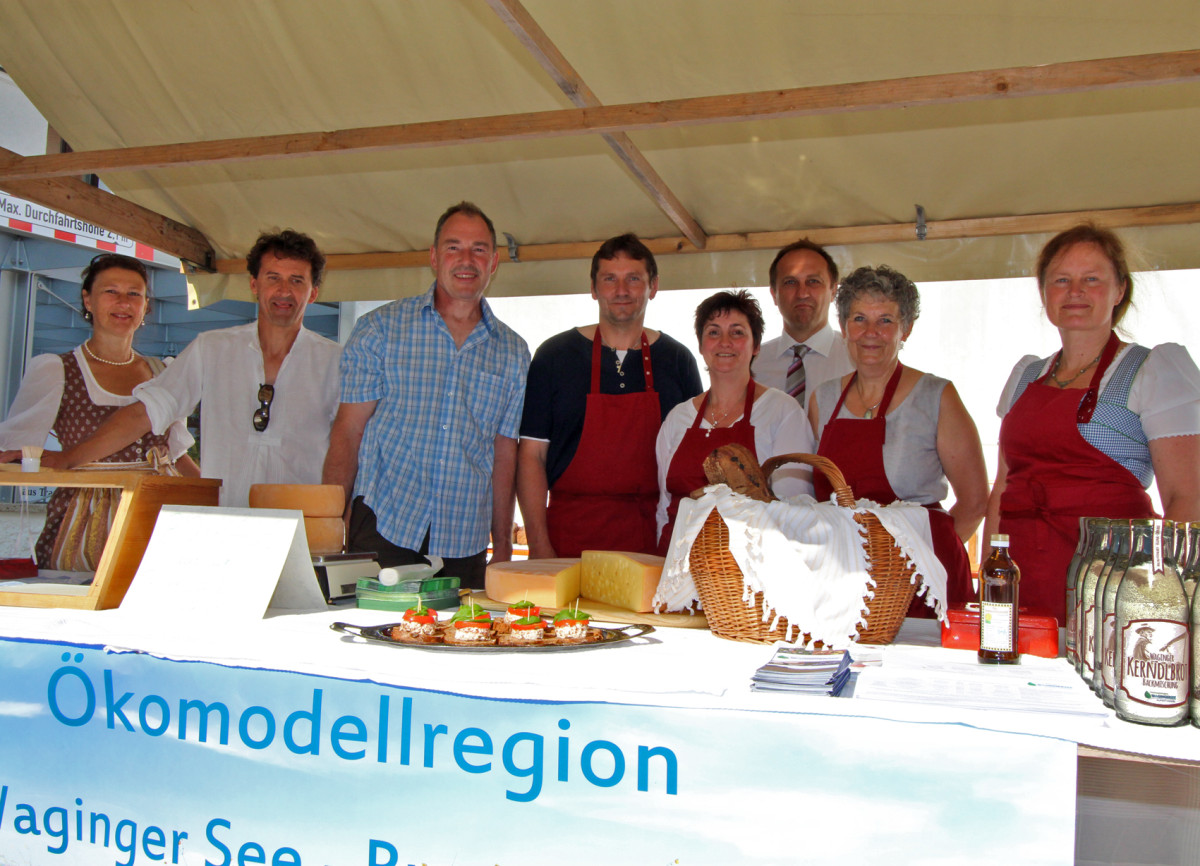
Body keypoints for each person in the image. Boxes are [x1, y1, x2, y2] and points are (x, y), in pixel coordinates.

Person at [985, 223, 1200, 622]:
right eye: (1061, 280)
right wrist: (987, 579)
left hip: (1111, 584)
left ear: (1120, 290)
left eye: (1092, 279)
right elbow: (1002, 486)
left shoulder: (1152, 370)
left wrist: (1162, 600)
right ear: (1045, 293)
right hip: (1021, 572)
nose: (1075, 291)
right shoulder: (1026, 375)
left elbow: (1187, 499)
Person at [44, 231, 342, 508]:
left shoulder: (337, 361)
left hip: (305, 527)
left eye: (297, 281)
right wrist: (67, 459)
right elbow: (146, 411)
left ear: (313, 293)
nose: (284, 291)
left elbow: (350, 445)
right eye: (273, 277)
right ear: (254, 284)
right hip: (224, 526)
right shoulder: (211, 348)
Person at [323, 202, 529, 589]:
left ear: (495, 262)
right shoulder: (380, 329)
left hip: (464, 539)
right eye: (453, 247)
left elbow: (505, 452)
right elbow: (348, 432)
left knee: (459, 643)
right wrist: (334, 525)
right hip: (384, 525)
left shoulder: (513, 351)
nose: (466, 259)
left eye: (479, 249)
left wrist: (502, 544)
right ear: (434, 257)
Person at [0, 253, 198, 570]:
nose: (123, 302)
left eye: (134, 294)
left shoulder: (163, 371)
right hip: (85, 514)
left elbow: (175, 455)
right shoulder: (57, 370)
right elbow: (15, 451)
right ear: (88, 300)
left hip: (159, 509)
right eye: (111, 291)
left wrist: (221, 500)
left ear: (146, 306)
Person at [809, 265, 987, 614]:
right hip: (843, 578)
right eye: (859, 318)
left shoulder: (937, 396)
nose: (870, 333)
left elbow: (976, 501)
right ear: (844, 328)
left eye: (886, 320)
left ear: (906, 329)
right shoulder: (823, 398)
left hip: (922, 579)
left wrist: (923, 553)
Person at [517, 234, 702, 559]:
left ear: (653, 286)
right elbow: (532, 457)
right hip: (566, 540)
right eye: (609, 279)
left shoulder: (677, 360)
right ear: (593, 288)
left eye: (633, 279)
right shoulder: (554, 356)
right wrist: (539, 545)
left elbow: (692, 462)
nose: (621, 291)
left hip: (651, 543)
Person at [656, 290, 814, 551]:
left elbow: (795, 509)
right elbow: (663, 507)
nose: (725, 342)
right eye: (714, 332)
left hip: (750, 571)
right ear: (701, 345)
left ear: (756, 346)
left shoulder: (782, 411)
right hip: (675, 566)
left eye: (737, 332)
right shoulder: (678, 418)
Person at [754, 239, 855, 412]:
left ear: (833, 291)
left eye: (813, 281)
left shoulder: (856, 360)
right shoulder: (753, 364)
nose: (802, 293)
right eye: (790, 282)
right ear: (773, 294)